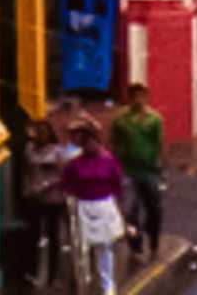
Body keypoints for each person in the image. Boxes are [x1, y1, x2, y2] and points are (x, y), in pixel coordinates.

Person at [65, 119, 130, 295]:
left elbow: (117, 184)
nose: (91, 146)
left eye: (93, 142)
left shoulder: (109, 161)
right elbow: (68, 185)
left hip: (104, 205)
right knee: (82, 248)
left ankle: (107, 285)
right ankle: (83, 282)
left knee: (105, 247)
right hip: (84, 206)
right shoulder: (75, 164)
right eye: (86, 143)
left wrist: (119, 208)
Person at [112, 88, 165, 262]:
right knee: (130, 211)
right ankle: (135, 244)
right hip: (127, 171)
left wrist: (159, 166)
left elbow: (160, 144)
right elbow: (114, 143)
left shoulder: (154, 119)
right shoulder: (121, 121)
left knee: (154, 209)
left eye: (141, 97)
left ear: (146, 98)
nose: (137, 100)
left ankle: (153, 238)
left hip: (149, 171)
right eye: (134, 97)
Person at [28, 114, 72, 285]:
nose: (40, 135)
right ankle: (33, 272)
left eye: (43, 131)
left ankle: (52, 275)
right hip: (35, 198)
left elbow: (64, 175)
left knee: (54, 236)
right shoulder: (30, 150)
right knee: (34, 236)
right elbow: (28, 171)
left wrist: (47, 184)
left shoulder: (58, 151)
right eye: (38, 131)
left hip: (54, 199)